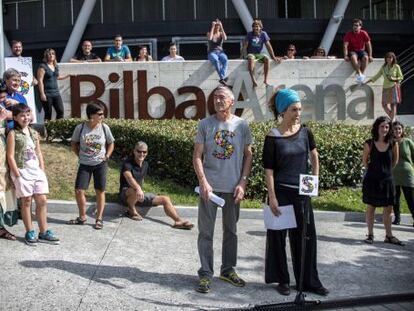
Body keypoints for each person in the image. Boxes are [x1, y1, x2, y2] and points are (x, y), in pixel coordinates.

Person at [262, 88, 329, 297]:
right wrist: (272, 197)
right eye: (294, 109)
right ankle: (282, 280)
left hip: (301, 194)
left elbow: (314, 157)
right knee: (278, 237)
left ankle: (309, 281)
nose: (298, 113)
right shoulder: (272, 137)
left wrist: (312, 185)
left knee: (306, 237)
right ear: (283, 111)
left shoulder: (306, 132)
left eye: (300, 109)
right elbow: (269, 171)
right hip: (280, 193)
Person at [193, 85, 253, 294]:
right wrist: (203, 181)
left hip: (232, 188)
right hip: (209, 189)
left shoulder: (242, 125)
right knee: (206, 233)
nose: (217, 101)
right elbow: (197, 156)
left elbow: (248, 155)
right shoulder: (205, 124)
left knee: (231, 231)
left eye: (222, 97)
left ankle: (228, 270)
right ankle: (206, 274)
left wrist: (243, 182)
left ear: (231, 102)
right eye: (215, 97)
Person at [6, 103, 59, 246]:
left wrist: (42, 170)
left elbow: (39, 153)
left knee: (42, 200)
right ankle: (30, 231)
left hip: (36, 172)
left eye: (27, 114)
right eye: (22, 115)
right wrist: (17, 175)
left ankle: (44, 232)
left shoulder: (34, 133)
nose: (26, 117)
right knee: (26, 201)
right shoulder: (13, 134)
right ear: (15, 118)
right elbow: (10, 156)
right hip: (22, 172)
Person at [119, 141, 193, 228]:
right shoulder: (127, 163)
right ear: (134, 151)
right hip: (126, 195)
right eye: (139, 151)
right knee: (135, 190)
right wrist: (138, 188)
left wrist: (141, 190)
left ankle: (178, 221)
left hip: (139, 195)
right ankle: (131, 211)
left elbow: (141, 179)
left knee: (165, 199)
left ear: (147, 152)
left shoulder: (145, 164)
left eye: (144, 152)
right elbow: (129, 178)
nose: (141, 154)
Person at [67, 101, 115, 230]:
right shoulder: (80, 128)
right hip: (85, 164)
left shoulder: (104, 128)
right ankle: (82, 217)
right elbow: (74, 143)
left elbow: (111, 143)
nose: (102, 116)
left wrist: (107, 156)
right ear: (91, 115)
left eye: (103, 114)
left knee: (100, 191)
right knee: (79, 190)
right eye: (100, 114)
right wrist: (80, 155)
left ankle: (99, 218)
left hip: (100, 164)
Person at [362, 116, 404, 246]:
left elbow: (394, 162)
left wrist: (385, 172)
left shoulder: (393, 143)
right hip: (372, 181)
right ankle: (370, 235)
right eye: (382, 126)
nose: (385, 129)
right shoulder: (368, 143)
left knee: (388, 209)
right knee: (371, 208)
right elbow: (365, 161)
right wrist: (374, 172)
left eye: (387, 127)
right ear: (377, 127)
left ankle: (389, 236)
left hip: (387, 181)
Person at [241, 19, 281, 87]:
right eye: (254, 26)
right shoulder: (249, 34)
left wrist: (273, 56)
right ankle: (253, 80)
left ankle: (265, 80)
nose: (255, 28)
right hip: (251, 53)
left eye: (257, 26)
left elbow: (269, 46)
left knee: (267, 59)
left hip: (258, 54)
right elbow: (245, 46)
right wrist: (241, 56)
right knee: (251, 58)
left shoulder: (263, 34)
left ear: (260, 27)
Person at [0, 85, 17, 241]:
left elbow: (28, 116)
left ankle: (1, 227)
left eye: (3, 97)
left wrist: (16, 105)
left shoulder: (4, 110)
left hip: (3, 156)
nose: (2, 100)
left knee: (4, 189)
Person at [365, 52, 403, 121]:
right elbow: (377, 76)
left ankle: (392, 120)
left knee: (393, 104)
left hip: (393, 86)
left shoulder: (396, 66)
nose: (389, 59)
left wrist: (394, 79)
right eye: (387, 58)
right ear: (385, 59)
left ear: (393, 58)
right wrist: (367, 81)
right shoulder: (383, 67)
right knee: (384, 104)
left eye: (390, 58)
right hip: (385, 87)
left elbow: (401, 77)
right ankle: (393, 118)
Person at [37, 48, 70, 121]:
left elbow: (57, 77)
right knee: (48, 113)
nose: (51, 55)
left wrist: (68, 76)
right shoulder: (42, 66)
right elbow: (40, 80)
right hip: (47, 93)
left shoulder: (55, 66)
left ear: (55, 56)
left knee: (60, 111)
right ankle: (47, 131)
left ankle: (57, 129)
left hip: (56, 93)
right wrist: (42, 94)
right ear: (46, 56)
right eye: (49, 54)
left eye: (52, 53)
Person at [392, 121, 414, 226]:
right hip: (393, 174)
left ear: (402, 130)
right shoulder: (390, 142)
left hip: (407, 174)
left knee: (410, 198)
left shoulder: (408, 142)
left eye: (399, 129)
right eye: (395, 129)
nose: (397, 131)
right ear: (392, 130)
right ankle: (397, 218)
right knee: (395, 198)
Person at [343, 19, 373, 84]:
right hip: (352, 51)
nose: (355, 27)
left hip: (361, 50)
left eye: (357, 25)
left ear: (360, 26)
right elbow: (345, 45)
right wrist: (345, 55)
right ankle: (360, 74)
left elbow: (369, 45)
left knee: (366, 58)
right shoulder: (349, 34)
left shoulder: (363, 33)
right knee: (353, 57)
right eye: (354, 25)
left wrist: (370, 55)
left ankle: (360, 76)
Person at [207, 19, 228, 85]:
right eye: (216, 25)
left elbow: (225, 38)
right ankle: (222, 78)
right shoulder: (209, 33)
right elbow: (210, 38)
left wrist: (221, 26)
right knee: (216, 60)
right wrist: (213, 26)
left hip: (220, 52)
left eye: (218, 25)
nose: (217, 26)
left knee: (225, 59)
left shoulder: (221, 33)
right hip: (212, 52)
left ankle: (222, 77)